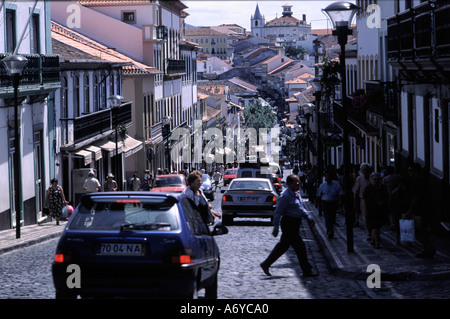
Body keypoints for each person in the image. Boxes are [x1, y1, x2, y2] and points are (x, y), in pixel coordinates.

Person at [260, 174, 318, 277]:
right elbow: (278, 212)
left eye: (299, 182)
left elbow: (301, 208)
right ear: (290, 184)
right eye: (297, 183)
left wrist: (308, 217)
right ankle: (306, 270)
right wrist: (276, 227)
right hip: (289, 223)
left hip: (295, 223)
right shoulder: (285, 196)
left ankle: (266, 264)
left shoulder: (296, 193)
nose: (299, 184)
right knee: (300, 247)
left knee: (283, 246)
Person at [405, 163, 436, 258]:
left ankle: (429, 248)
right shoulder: (423, 181)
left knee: (419, 231)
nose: (408, 172)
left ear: (415, 172)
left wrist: (410, 211)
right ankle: (427, 249)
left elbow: (416, 198)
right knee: (422, 231)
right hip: (425, 209)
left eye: (410, 170)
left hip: (420, 210)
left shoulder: (417, 182)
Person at [362, 172, 389, 248]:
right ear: (371, 180)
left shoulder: (382, 188)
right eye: (375, 179)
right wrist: (365, 211)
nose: (376, 181)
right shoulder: (368, 188)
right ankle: (377, 242)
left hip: (380, 211)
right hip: (371, 210)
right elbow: (364, 199)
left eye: (378, 179)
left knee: (377, 227)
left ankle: (373, 240)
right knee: (375, 227)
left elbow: (386, 197)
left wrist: (382, 202)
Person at [316, 169, 344, 239]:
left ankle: (330, 229)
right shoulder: (322, 185)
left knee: (332, 217)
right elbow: (318, 195)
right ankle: (329, 230)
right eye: (326, 176)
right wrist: (317, 203)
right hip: (325, 203)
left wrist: (340, 201)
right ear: (324, 177)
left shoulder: (336, 184)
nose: (327, 177)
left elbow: (340, 193)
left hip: (333, 203)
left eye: (329, 176)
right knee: (327, 217)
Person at [352, 163, 371, 231]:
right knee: (365, 216)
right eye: (363, 170)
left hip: (373, 199)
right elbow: (355, 191)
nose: (364, 171)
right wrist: (355, 201)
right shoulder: (359, 179)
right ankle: (369, 232)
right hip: (363, 200)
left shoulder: (372, 178)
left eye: (365, 169)